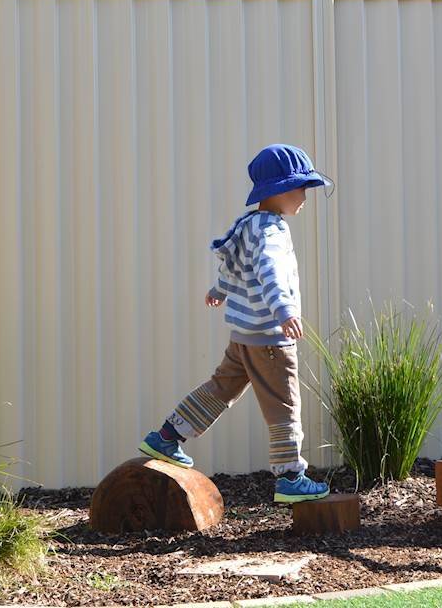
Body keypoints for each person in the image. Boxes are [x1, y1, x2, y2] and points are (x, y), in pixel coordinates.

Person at [139, 144, 331, 503]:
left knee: (221, 388)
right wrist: (285, 310)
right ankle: (290, 476)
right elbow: (271, 273)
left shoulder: (248, 224)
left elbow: (232, 265)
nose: (305, 196)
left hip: (243, 337)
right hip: (269, 338)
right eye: (302, 188)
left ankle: (168, 435)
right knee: (284, 404)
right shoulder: (273, 231)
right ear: (282, 190)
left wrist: (220, 289)